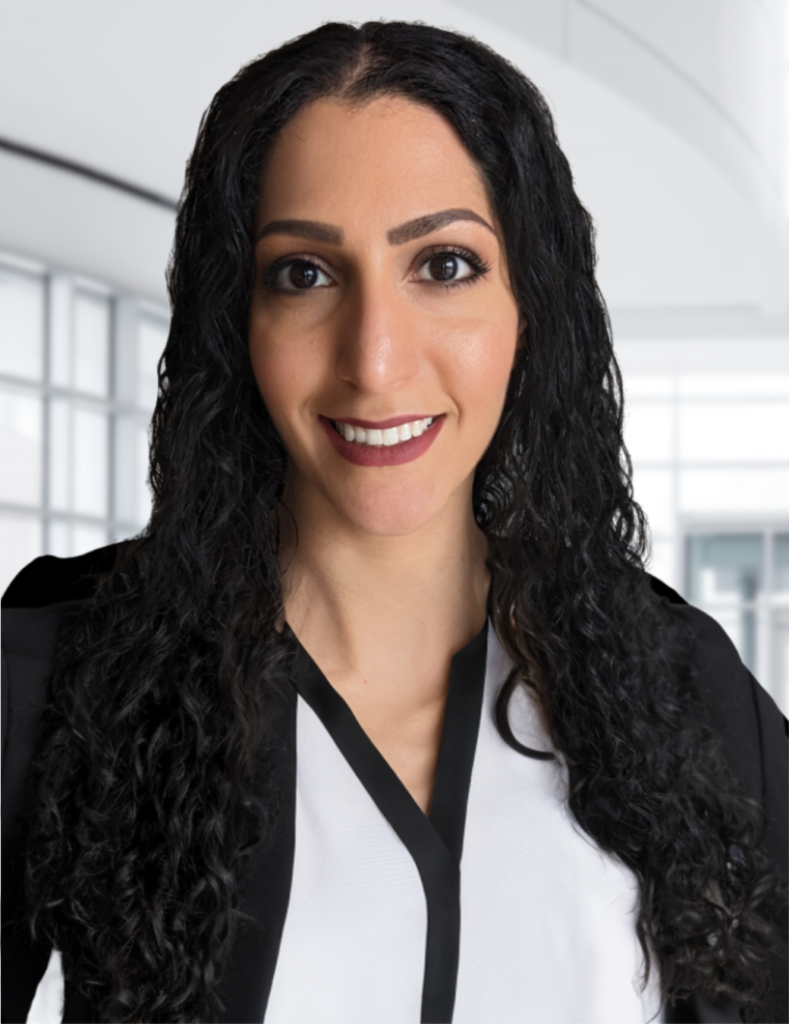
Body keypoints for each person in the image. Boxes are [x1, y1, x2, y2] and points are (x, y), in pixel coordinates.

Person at [2, 19, 787, 1024]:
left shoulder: (686, 695)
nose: (373, 360)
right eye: (305, 273)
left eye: (445, 266)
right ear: (235, 326)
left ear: (530, 309)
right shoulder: (51, 691)